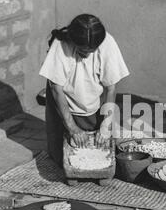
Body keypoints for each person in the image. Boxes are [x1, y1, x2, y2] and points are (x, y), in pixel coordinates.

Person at [39, 14, 130, 166]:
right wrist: (72, 127)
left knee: (100, 150)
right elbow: (56, 89)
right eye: (82, 50)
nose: (87, 54)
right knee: (62, 159)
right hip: (63, 98)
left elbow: (111, 89)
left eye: (91, 51)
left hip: (92, 97)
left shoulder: (108, 43)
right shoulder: (60, 44)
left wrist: (105, 125)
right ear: (73, 41)